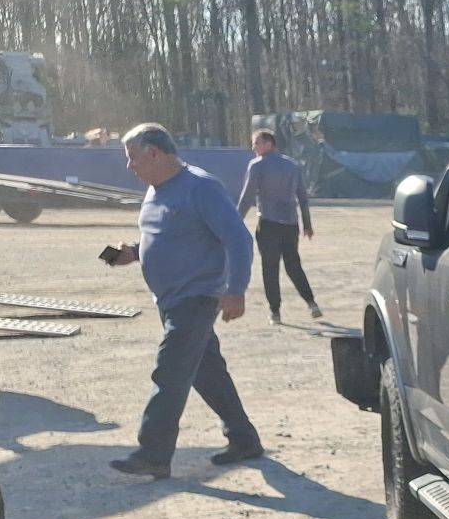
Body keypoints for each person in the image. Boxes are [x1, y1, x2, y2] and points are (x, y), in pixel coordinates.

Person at [104, 123, 263, 478]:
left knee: (170, 371)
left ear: (154, 153)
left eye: (133, 157)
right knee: (208, 373)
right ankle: (244, 439)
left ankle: (153, 454)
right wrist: (131, 252)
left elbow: (239, 239)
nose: (129, 166)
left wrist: (236, 289)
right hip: (170, 300)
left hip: (196, 298)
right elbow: (168, 236)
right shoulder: (155, 191)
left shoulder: (201, 187)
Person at [238, 127, 321, 323]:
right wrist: (307, 224)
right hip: (290, 224)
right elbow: (303, 197)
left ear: (268, 144)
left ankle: (275, 311)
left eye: (256, 143)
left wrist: (235, 220)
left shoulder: (257, 166)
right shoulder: (292, 165)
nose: (253, 147)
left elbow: (247, 197)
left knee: (270, 268)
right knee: (294, 265)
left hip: (268, 223)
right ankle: (311, 302)